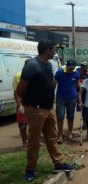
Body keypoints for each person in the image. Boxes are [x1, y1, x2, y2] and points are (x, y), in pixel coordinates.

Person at [16, 41, 74, 181]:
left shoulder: (48, 65)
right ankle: (30, 170)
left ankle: (58, 163)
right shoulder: (32, 65)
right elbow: (20, 89)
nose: (55, 52)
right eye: (54, 49)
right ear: (47, 50)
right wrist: (28, 105)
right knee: (34, 141)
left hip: (48, 109)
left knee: (52, 137)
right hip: (36, 109)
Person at [55, 59, 80, 143]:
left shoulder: (76, 73)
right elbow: (54, 84)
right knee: (60, 117)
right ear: (66, 66)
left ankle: (70, 133)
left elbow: (77, 85)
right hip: (60, 98)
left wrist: (79, 96)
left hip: (72, 98)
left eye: (73, 68)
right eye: (70, 68)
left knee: (70, 117)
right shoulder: (59, 73)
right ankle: (60, 135)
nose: (71, 70)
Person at [13, 71, 28, 148]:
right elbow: (15, 92)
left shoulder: (34, 74)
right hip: (22, 103)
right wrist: (19, 105)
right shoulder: (18, 76)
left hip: (32, 103)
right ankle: (24, 142)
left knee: (34, 124)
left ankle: (35, 140)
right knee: (22, 125)